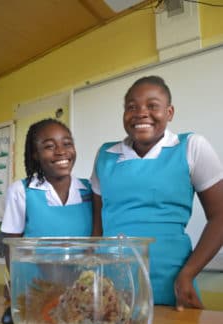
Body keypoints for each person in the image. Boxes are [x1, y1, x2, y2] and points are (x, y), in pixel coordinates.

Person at [91, 75, 223, 310]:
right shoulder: (105, 155)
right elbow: (98, 226)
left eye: (152, 106)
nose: (141, 113)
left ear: (169, 112)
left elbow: (220, 216)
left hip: (172, 286)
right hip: (111, 288)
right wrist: (91, 275)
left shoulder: (191, 147)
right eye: (131, 107)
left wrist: (187, 275)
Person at [0, 118, 93, 324]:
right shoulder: (22, 191)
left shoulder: (89, 190)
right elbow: (11, 245)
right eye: (49, 146)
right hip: (37, 290)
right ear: (35, 154)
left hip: (80, 292)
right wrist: (14, 281)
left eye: (67, 144)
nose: (61, 151)